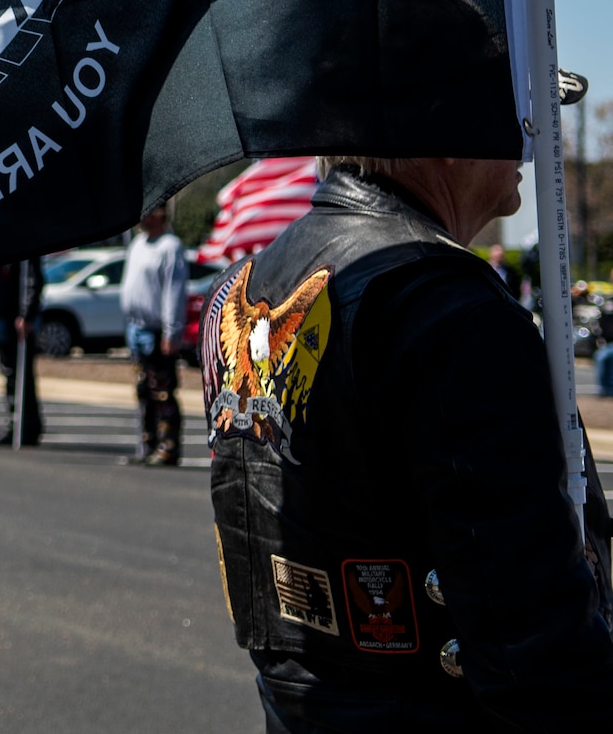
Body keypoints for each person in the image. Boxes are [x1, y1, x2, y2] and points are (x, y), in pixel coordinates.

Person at [204, 156, 613, 727]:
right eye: (497, 104)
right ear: (439, 124)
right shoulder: (449, 309)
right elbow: (535, 654)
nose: (522, 144)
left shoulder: (240, 290)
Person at [119, 206, 188, 466]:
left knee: (162, 390)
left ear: (160, 214)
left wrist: (172, 331)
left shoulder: (170, 247)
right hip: (136, 328)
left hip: (157, 329)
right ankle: (147, 444)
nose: (143, 215)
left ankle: (168, 446)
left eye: (150, 210)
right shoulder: (138, 244)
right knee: (143, 389)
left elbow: (174, 292)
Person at [0, 258, 44, 446]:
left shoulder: (24, 253)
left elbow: (33, 282)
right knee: (10, 373)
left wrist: (27, 315)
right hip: (3, 320)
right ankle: (16, 421)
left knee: (21, 375)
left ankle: (26, 425)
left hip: (16, 320)